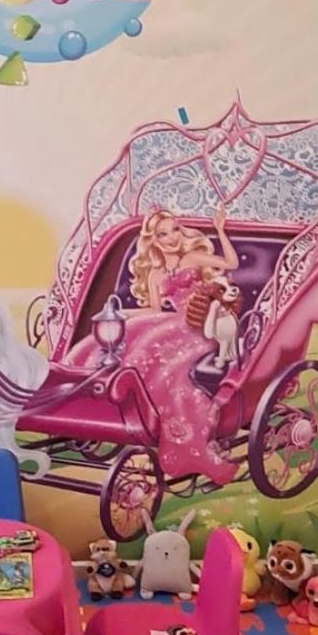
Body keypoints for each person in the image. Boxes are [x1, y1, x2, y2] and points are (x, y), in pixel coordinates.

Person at [68, 207, 240, 485]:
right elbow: (154, 310)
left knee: (163, 364)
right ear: (153, 240)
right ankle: (105, 401)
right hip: (170, 321)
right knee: (127, 341)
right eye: (163, 234)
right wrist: (124, 313)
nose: (171, 238)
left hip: (199, 326)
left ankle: (184, 441)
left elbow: (231, 263)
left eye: (175, 230)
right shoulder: (155, 273)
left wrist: (220, 230)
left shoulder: (192, 258)